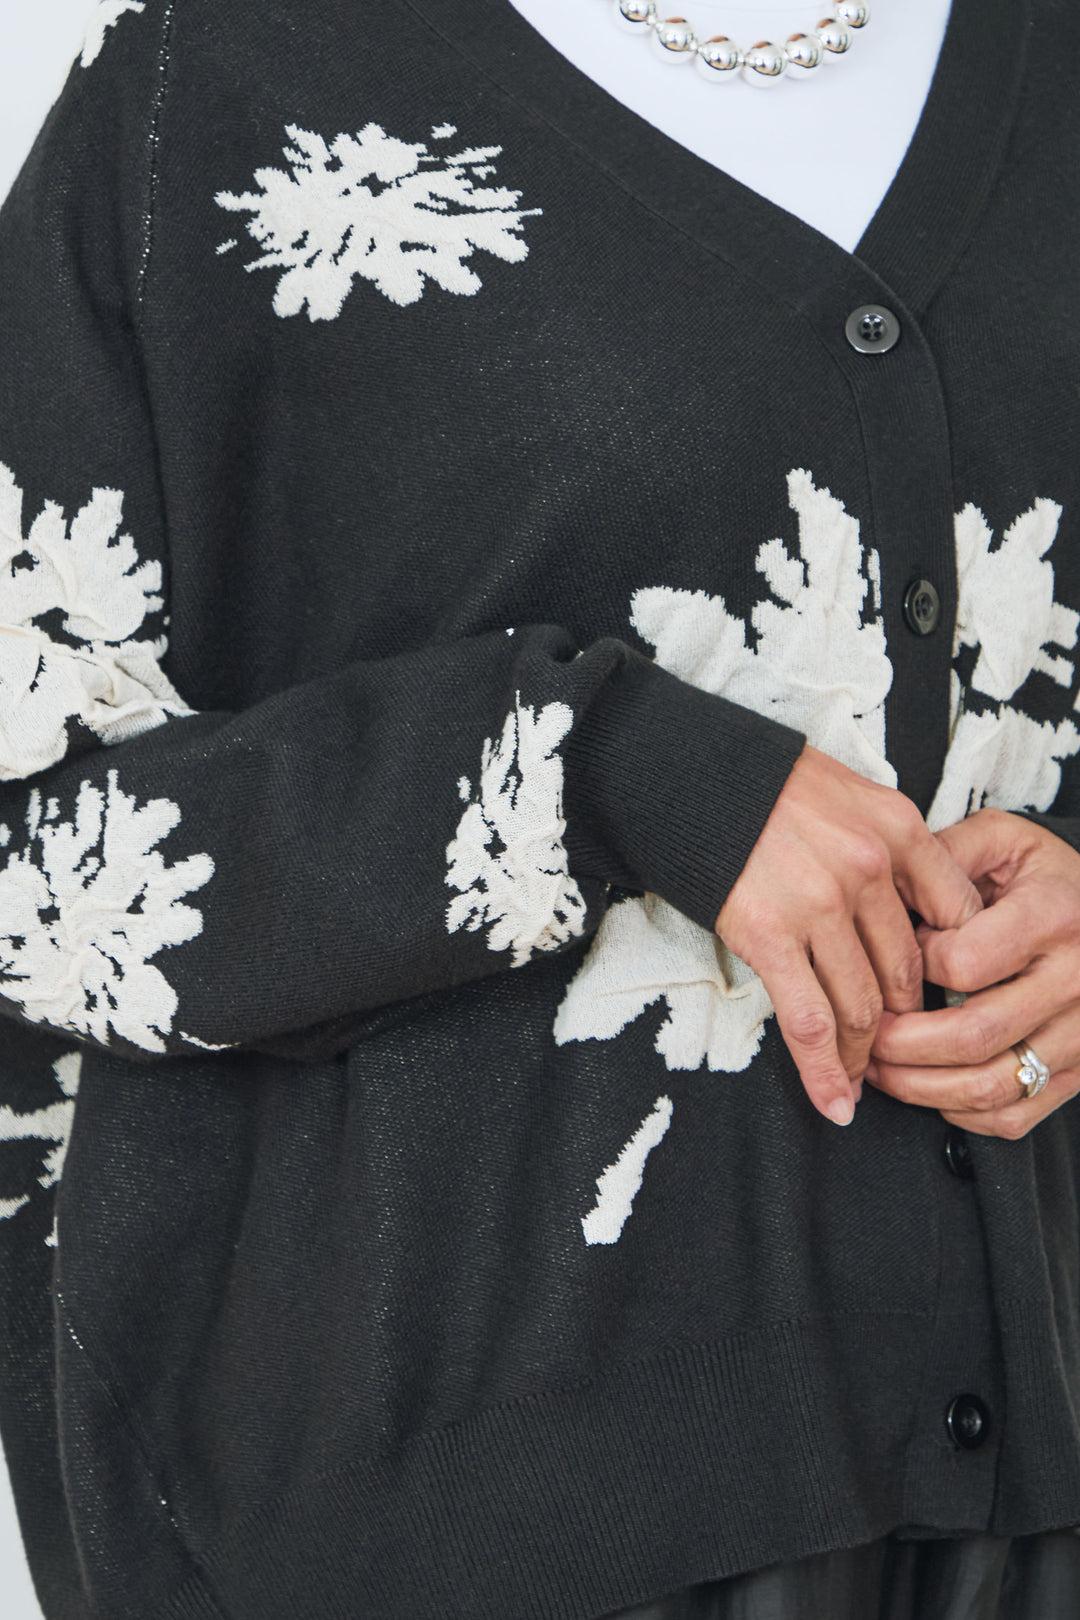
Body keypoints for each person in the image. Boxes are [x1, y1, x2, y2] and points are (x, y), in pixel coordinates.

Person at [2, 0, 1080, 1615]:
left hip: (1024, 1456)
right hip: (458, 1510)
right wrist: (602, 771)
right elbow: (34, 872)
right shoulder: (218, 84)